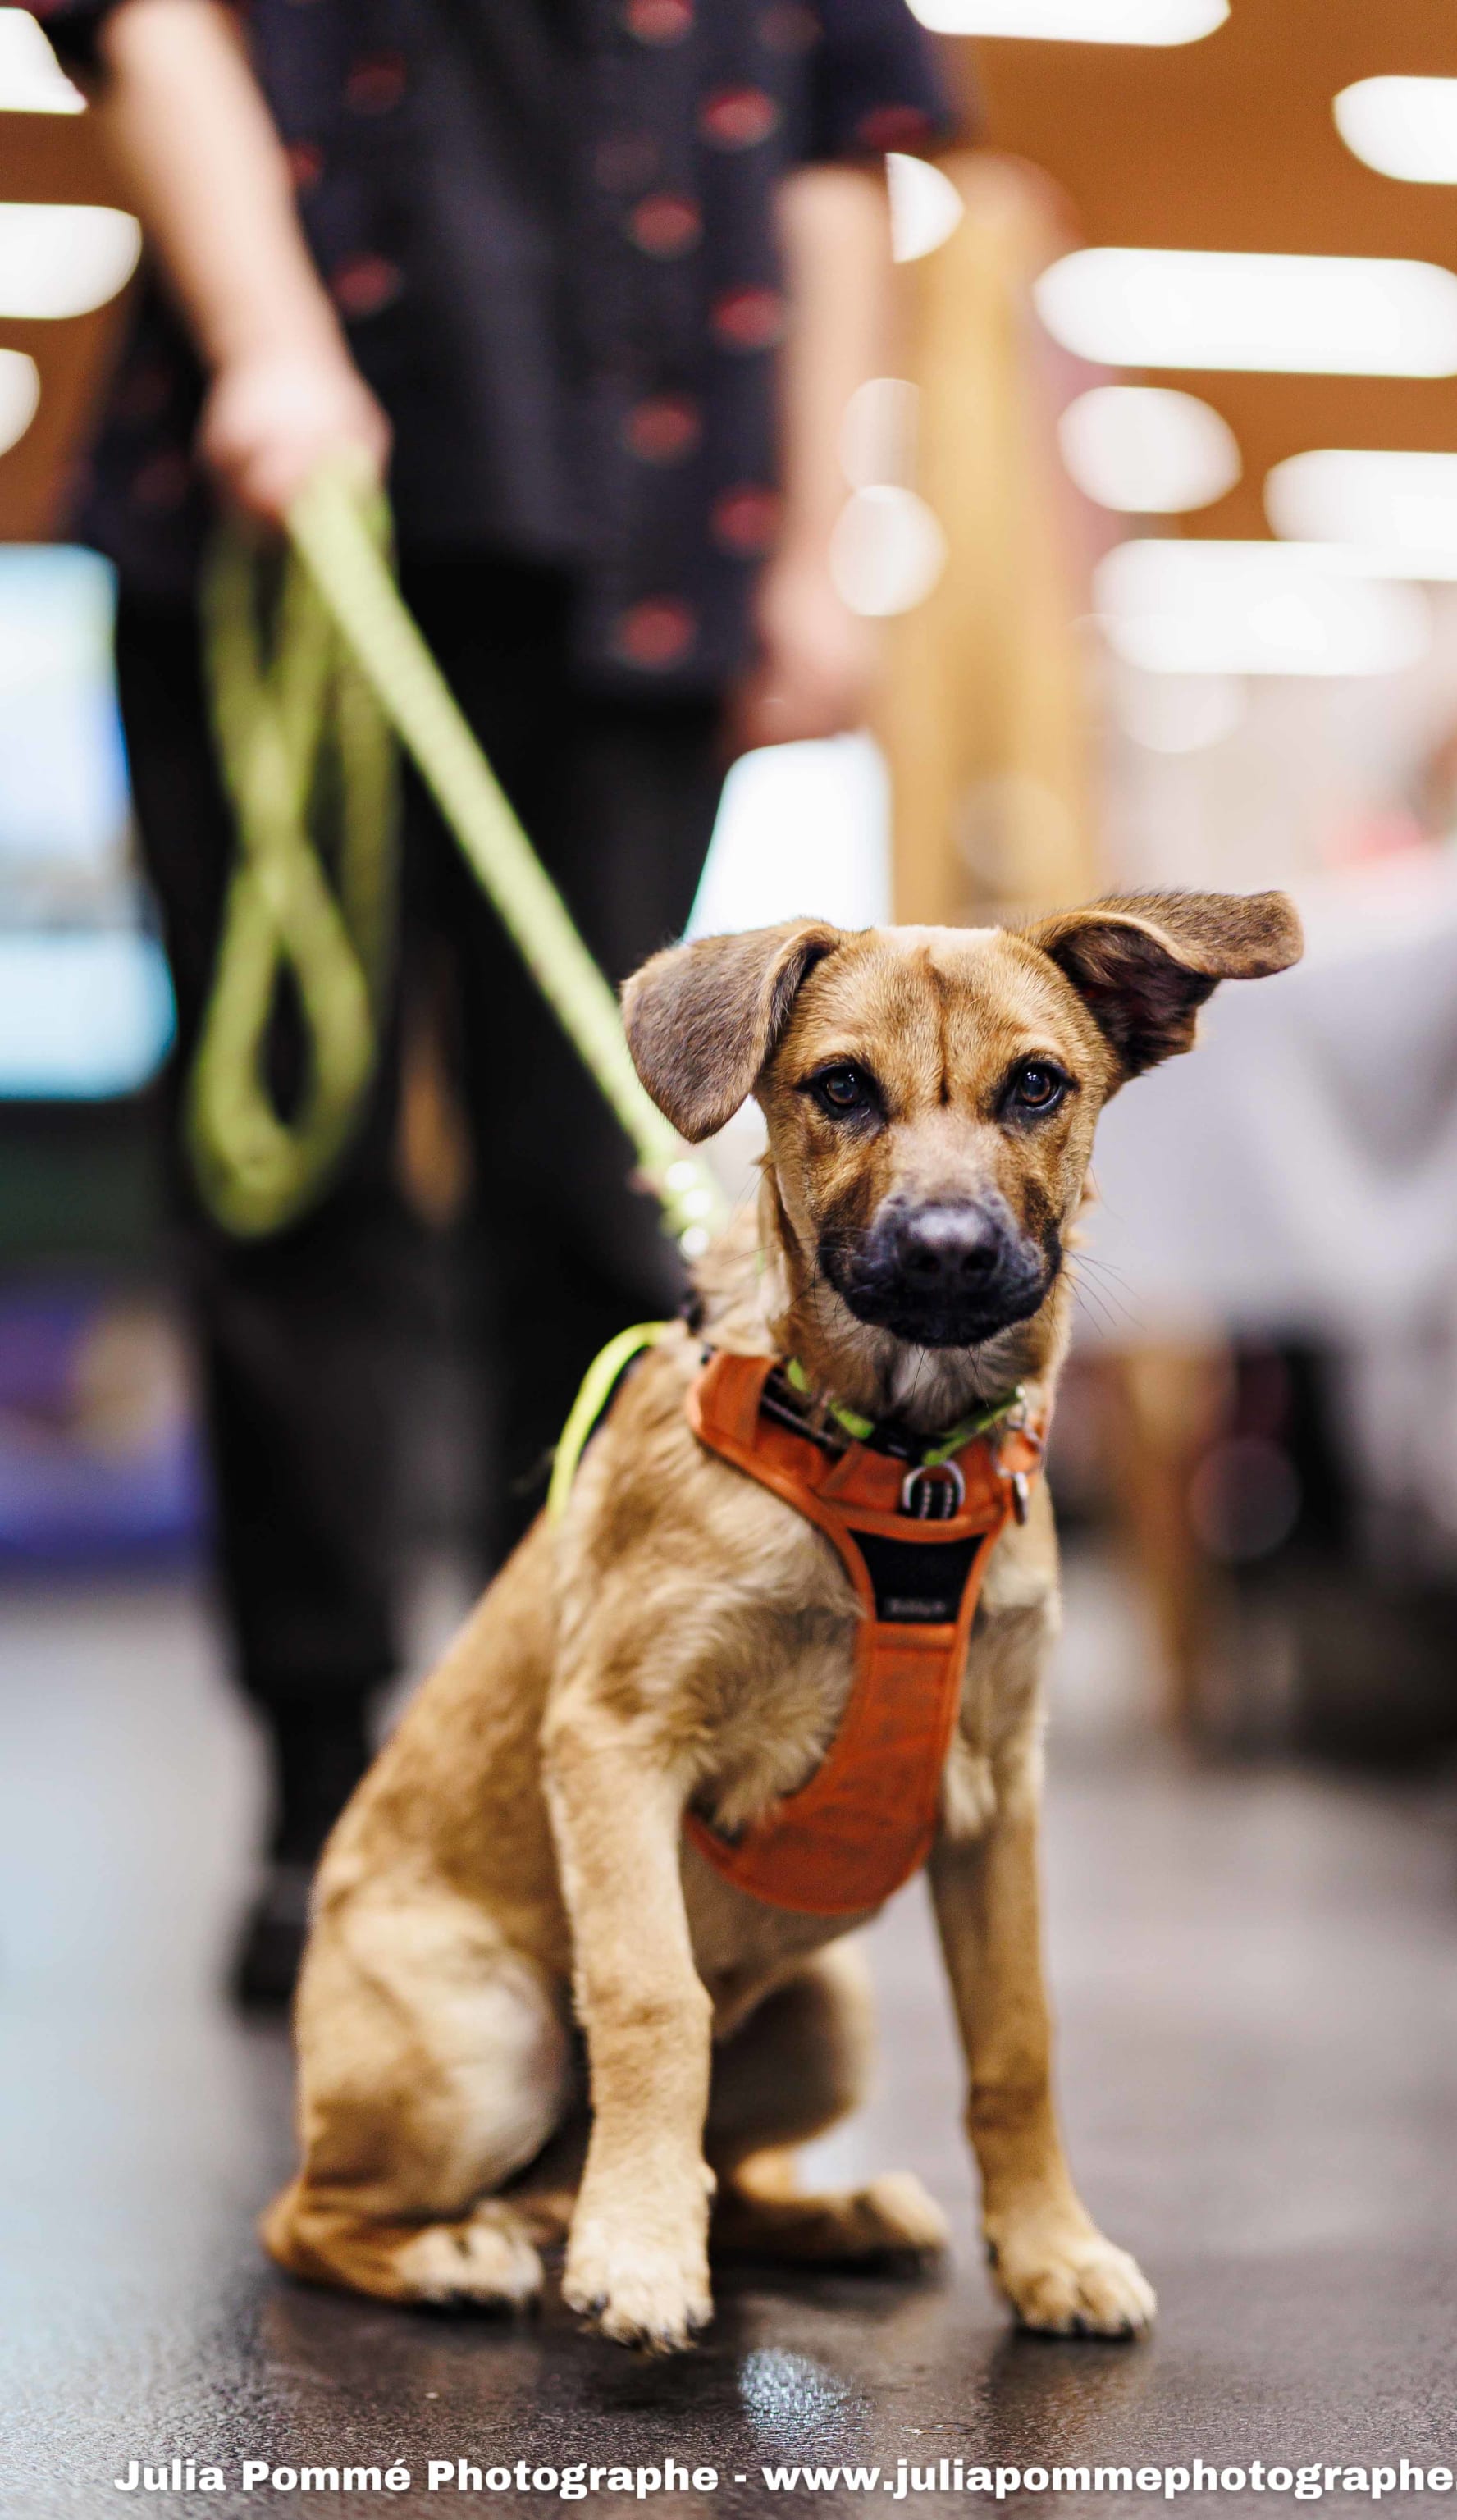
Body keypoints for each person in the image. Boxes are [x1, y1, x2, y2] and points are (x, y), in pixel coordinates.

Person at [28, 0, 954, 2002]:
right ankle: (316, 1784)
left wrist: (818, 540)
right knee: (289, 1158)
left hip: (639, 537)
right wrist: (271, 333)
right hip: (272, 512)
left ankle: (577, 1754)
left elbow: (828, 149)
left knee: (589, 1185)